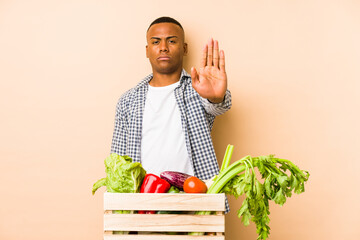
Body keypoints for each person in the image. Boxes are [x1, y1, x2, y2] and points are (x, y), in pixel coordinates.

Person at [110, 16, 231, 190]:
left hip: (195, 198)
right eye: (156, 42)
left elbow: (218, 106)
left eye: (172, 41)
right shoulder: (128, 101)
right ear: (147, 50)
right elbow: (118, 160)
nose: (163, 48)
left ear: (184, 48)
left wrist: (216, 96)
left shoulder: (198, 89)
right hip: (141, 202)